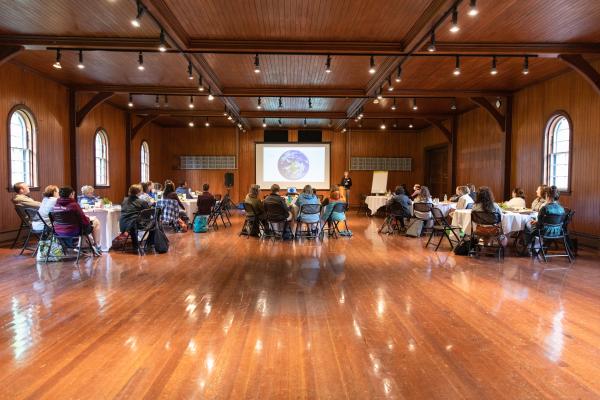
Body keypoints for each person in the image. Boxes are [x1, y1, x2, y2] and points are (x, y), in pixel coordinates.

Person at [52, 186, 102, 254]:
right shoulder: (74, 205)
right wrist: (88, 219)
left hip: (58, 231)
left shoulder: (55, 205)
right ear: (71, 194)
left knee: (84, 225)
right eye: (73, 194)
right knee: (95, 221)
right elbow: (84, 221)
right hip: (73, 231)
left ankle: (83, 245)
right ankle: (97, 246)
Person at [120, 184, 151, 250]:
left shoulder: (124, 201)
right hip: (135, 224)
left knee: (133, 220)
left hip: (123, 224)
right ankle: (150, 244)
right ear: (139, 192)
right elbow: (149, 214)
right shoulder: (142, 202)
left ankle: (136, 245)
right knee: (153, 223)